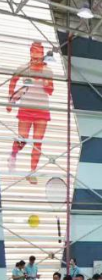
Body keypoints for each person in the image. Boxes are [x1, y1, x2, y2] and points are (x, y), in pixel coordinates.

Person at [7, 41, 53, 183]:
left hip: (42, 109)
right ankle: (13, 156)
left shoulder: (47, 71)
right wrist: (10, 100)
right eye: (34, 53)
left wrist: (46, 83)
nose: (36, 57)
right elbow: (13, 81)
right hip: (26, 108)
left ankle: (32, 172)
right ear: (31, 53)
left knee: (37, 142)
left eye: (39, 54)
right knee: (23, 138)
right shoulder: (24, 68)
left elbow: (50, 90)